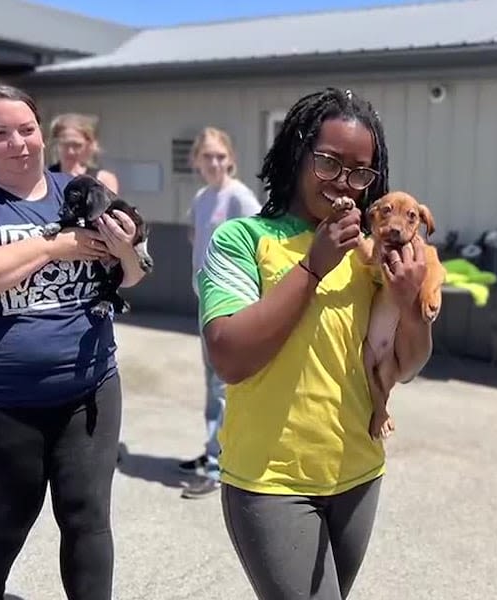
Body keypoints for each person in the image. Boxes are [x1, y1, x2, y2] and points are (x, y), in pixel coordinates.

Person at [198, 88, 433, 599]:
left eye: (360, 171)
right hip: (271, 481)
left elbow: (408, 364)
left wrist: (412, 302)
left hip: (358, 473)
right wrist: (313, 266)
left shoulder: (372, 252)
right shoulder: (243, 238)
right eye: (328, 161)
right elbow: (229, 356)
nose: (344, 182)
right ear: (296, 154)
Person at [0, 83, 147, 600]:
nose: (19, 142)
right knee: (7, 518)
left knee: (88, 518)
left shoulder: (80, 190)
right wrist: (56, 245)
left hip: (89, 390)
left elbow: (129, 274)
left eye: (26, 129)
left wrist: (126, 252)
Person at [178, 126, 262, 500]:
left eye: (220, 156)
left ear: (231, 159)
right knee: (212, 382)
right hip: (206, 301)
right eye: (206, 156)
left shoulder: (240, 198)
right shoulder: (201, 197)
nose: (214, 162)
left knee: (223, 383)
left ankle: (219, 463)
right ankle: (214, 448)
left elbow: (263, 245)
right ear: (196, 161)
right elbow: (196, 238)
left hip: (231, 306)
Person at [48, 112, 120, 194]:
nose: (70, 151)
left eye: (77, 145)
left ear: (89, 145)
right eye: (65, 144)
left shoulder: (103, 180)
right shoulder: (45, 178)